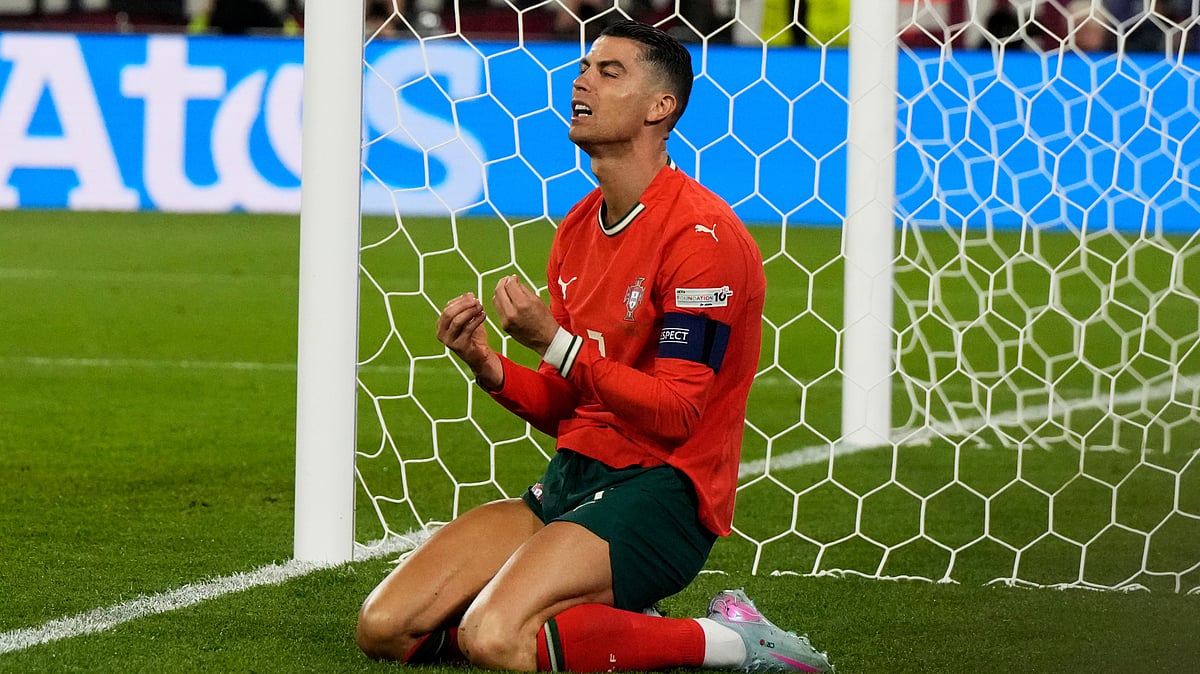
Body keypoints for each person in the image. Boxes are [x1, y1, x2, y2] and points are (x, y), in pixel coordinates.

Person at [355, 19, 833, 673]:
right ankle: (607, 625)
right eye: (584, 67)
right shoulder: (578, 228)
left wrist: (555, 344)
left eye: (610, 72)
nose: (582, 80)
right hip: (574, 482)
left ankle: (733, 641)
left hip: (663, 491)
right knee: (385, 629)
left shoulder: (702, 238)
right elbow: (569, 403)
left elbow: (676, 412)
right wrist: (490, 367)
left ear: (661, 107)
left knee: (496, 637)